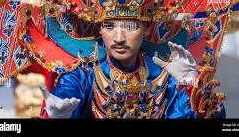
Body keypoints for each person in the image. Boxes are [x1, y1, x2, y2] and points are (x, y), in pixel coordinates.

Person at [39, 19, 224, 118]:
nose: (119, 37)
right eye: (109, 26)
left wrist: (193, 86)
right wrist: (59, 112)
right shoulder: (85, 73)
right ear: (100, 29)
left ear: (146, 27)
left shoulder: (165, 74)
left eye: (130, 27)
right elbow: (65, 94)